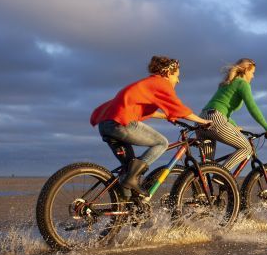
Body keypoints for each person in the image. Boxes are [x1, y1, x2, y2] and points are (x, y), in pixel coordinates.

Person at [90, 56, 211, 196]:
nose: (178, 80)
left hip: (106, 124)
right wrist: (203, 122)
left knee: (128, 170)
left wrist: (166, 116)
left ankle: (125, 209)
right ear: (167, 73)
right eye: (176, 76)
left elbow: (142, 109)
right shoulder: (161, 83)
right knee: (161, 142)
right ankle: (131, 179)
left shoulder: (148, 84)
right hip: (120, 123)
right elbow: (180, 109)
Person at [197, 58, 267, 171]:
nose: (253, 76)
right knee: (246, 148)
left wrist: (233, 126)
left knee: (206, 166)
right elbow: (252, 107)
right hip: (215, 119)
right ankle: (222, 175)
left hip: (202, 119)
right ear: (246, 70)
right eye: (252, 73)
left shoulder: (228, 83)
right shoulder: (242, 83)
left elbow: (224, 111)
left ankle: (196, 185)